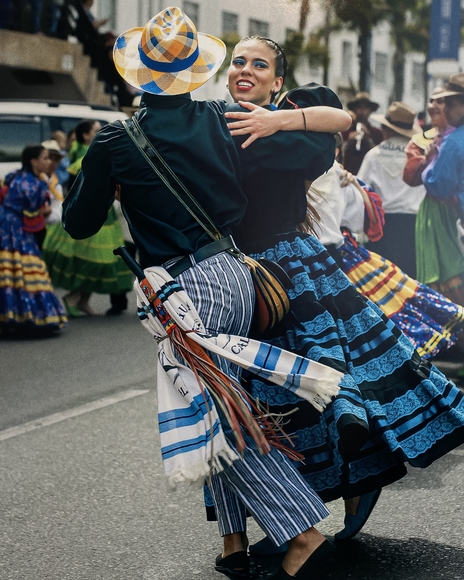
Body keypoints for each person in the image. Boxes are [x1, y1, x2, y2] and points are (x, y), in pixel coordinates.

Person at [61, 9, 349, 579]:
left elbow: (77, 223)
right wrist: (281, 122)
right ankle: (233, 543)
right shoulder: (224, 118)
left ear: (138, 74)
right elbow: (323, 140)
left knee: (219, 415)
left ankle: (304, 533)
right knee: (225, 401)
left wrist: (105, 174)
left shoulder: (117, 139)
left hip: (186, 288)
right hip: (238, 275)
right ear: (196, 72)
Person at [215, 35, 464, 554]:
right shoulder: (215, 123)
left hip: (295, 270)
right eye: (238, 61)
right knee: (263, 398)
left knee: (339, 381)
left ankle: (357, 480)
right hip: (239, 275)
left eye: (259, 64)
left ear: (278, 82)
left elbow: (338, 121)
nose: (246, 69)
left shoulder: (294, 137)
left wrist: (275, 120)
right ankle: (281, 515)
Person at [308, 140, 464, 361]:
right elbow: (354, 221)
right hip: (409, 223)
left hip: (371, 233)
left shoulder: (370, 156)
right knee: (396, 293)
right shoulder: (340, 174)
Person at [42, 119, 132, 317]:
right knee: (95, 261)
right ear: (86, 135)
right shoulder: (85, 154)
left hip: (102, 214)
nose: (101, 132)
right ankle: (74, 298)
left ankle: (82, 300)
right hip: (95, 214)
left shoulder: (89, 151)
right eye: (96, 130)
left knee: (98, 261)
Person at [0, 144, 67, 335]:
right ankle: (31, 315)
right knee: (28, 269)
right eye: (45, 158)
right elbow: (34, 211)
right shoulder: (36, 184)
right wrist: (45, 210)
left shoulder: (12, 176)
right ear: (34, 161)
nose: (49, 162)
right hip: (18, 231)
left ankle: (10, 315)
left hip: (4, 226)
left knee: (8, 271)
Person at [357, 101, 426, 278]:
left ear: (385, 129)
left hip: (383, 227)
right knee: (411, 282)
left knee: (385, 281)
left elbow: (360, 191)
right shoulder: (419, 156)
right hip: (415, 227)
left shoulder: (373, 155)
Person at [422, 74, 464, 297]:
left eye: (451, 104)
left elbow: (439, 186)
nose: (445, 109)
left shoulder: (454, 141)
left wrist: (429, 165)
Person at [341, 91, 383, 174]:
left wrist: (369, 141)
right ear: (354, 110)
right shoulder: (345, 131)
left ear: (370, 111)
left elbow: (381, 158)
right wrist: (348, 142)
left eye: (365, 108)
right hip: (346, 174)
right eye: (359, 107)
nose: (362, 111)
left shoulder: (376, 133)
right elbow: (336, 155)